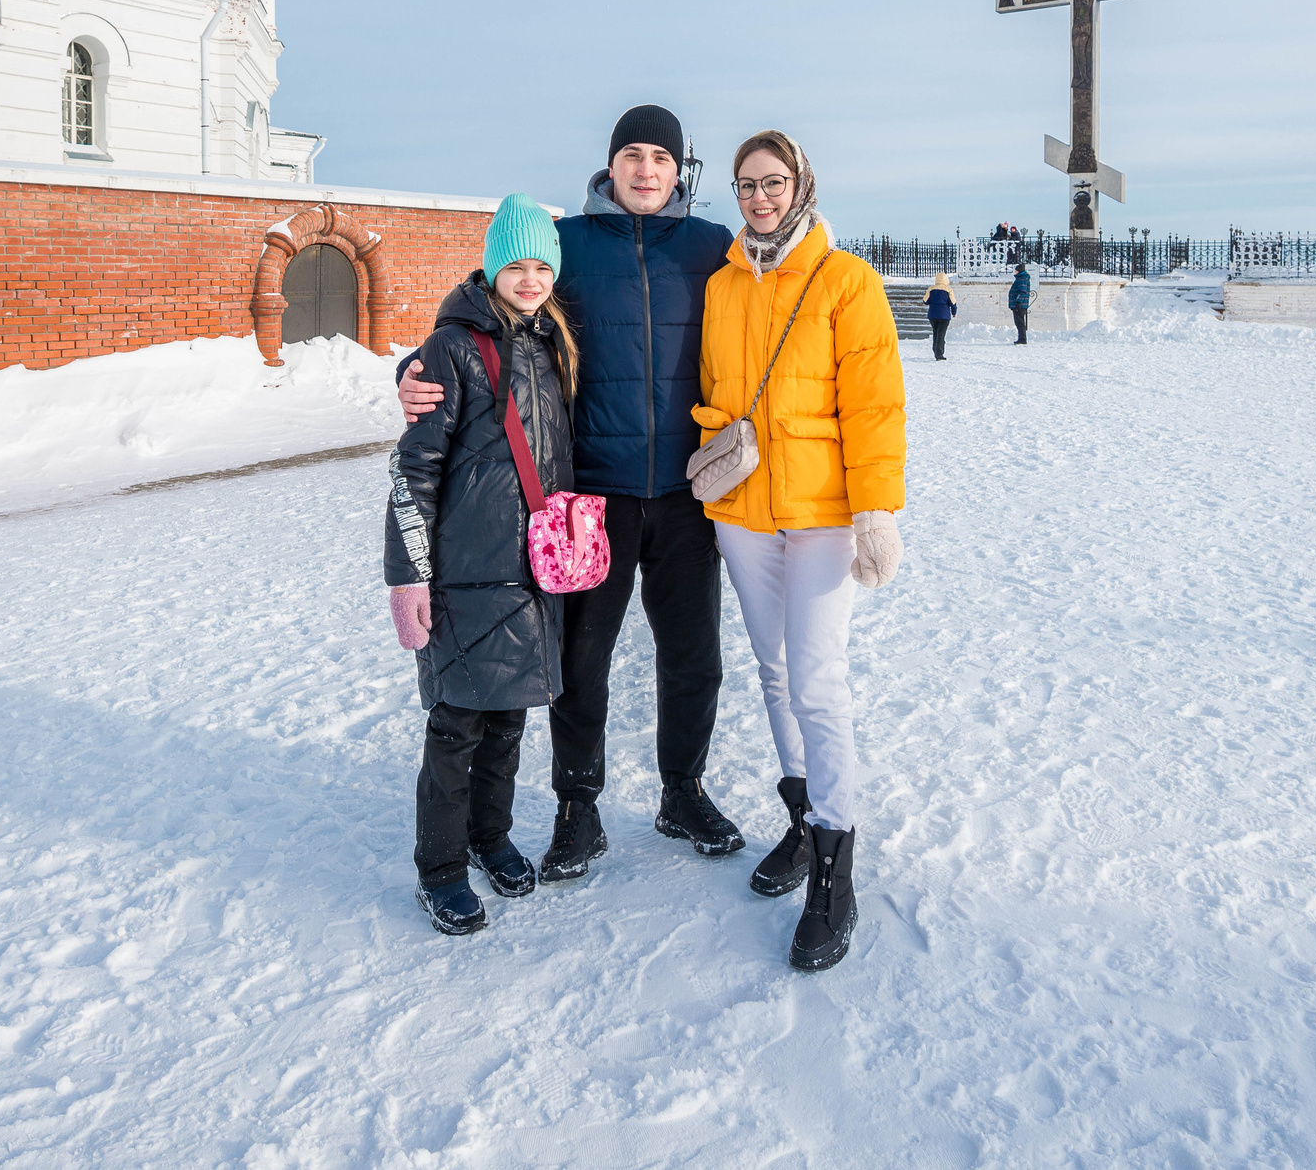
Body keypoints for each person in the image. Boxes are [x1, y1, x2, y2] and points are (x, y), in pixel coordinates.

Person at [396, 105, 743, 884]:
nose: (646, 169)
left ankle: (683, 791)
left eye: (660, 155)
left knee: (694, 656)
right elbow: (493, 302)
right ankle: (576, 808)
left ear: (679, 168)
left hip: (688, 494)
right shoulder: (573, 244)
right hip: (592, 497)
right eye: (632, 154)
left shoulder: (711, 248)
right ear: (609, 165)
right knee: (582, 660)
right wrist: (414, 373)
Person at [695, 130, 907, 971]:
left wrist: (876, 509)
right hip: (744, 510)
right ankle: (800, 811)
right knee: (774, 670)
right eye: (746, 185)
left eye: (772, 182)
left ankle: (834, 862)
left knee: (817, 676)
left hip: (822, 513)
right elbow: (712, 387)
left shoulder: (844, 279)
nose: (758, 197)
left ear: (801, 184)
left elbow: (875, 401)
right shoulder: (720, 284)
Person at [383, 195, 579, 935]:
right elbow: (415, 469)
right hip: (466, 575)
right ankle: (439, 867)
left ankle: (489, 835)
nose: (529, 279)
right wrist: (409, 575)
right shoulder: (455, 347)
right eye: (516, 265)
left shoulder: (548, 340)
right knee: (456, 726)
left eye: (541, 266)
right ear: (493, 266)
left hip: (530, 575)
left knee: (508, 723)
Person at [924, 272, 956, 361]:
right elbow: (952, 303)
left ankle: (935, 350)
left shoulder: (931, 289)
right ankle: (939, 354)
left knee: (935, 333)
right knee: (941, 335)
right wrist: (954, 312)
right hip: (944, 315)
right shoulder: (948, 290)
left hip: (933, 315)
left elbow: (925, 301)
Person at [1008, 265, 1033, 345]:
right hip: (1020, 304)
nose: (1015, 271)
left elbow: (1022, 291)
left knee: (1020, 322)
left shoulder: (1022, 279)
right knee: (1019, 322)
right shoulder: (1021, 278)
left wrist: (1018, 302)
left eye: (1016, 270)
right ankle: (1021, 338)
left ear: (1019, 271)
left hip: (1020, 305)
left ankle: (1022, 339)